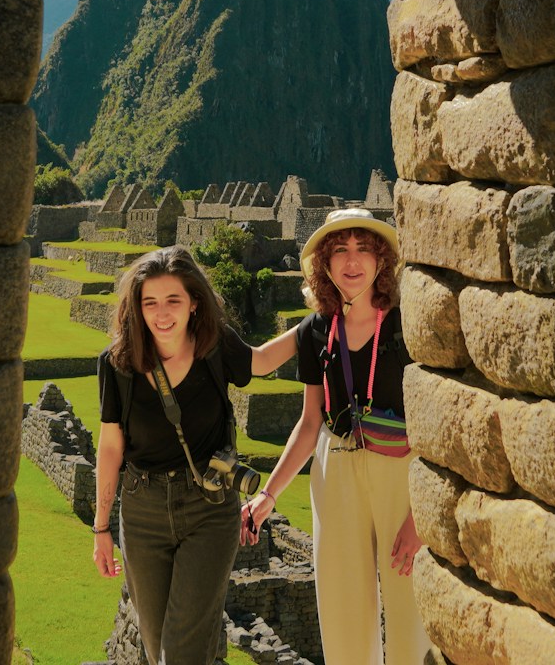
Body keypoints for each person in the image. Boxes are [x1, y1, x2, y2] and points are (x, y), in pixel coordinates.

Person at [91, 244, 300, 665]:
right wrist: (101, 528)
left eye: (173, 300)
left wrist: (317, 321)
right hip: (142, 509)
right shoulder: (118, 364)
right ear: (137, 306)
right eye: (150, 302)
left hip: (208, 507)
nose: (161, 313)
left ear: (193, 303)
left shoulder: (214, 346)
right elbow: (111, 447)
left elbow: (259, 362)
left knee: (182, 652)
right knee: (157, 647)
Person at [241, 209, 431, 665]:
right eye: (340, 250)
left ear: (382, 260)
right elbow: (310, 423)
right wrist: (268, 494)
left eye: (364, 248)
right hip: (336, 468)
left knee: (413, 616)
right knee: (342, 612)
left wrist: (421, 520)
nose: (352, 261)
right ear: (324, 264)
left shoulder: (411, 325)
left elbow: (436, 430)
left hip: (400, 473)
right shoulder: (317, 330)